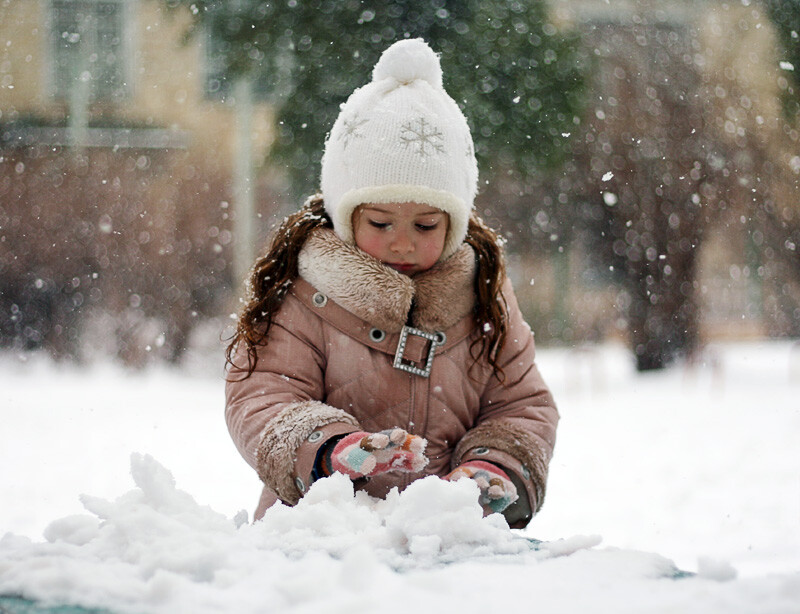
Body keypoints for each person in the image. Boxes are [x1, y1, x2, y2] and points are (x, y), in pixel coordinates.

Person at [225, 38, 558, 528]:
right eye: (381, 224)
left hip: (443, 543)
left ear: (455, 224)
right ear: (345, 216)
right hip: (317, 538)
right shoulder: (303, 296)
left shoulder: (484, 301)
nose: (403, 244)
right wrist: (331, 450)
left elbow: (521, 404)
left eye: (425, 226)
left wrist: (491, 469)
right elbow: (262, 394)